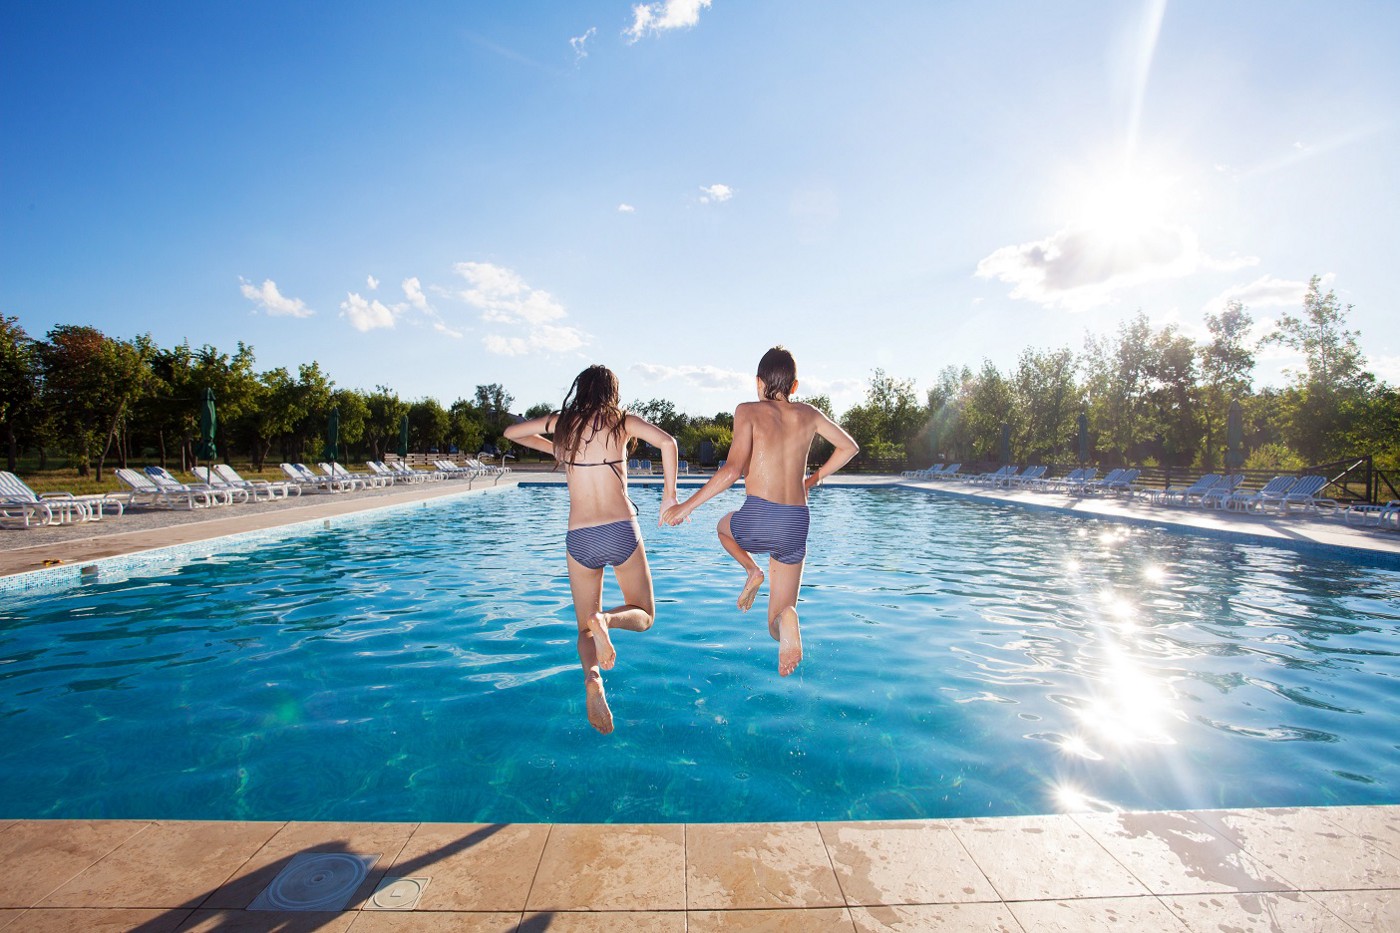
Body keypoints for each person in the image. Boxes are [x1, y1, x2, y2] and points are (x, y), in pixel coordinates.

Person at [662, 346, 858, 677]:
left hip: (759, 516)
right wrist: (813, 479)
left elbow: (733, 470)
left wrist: (684, 506)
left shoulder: (748, 410)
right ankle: (788, 619)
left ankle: (752, 571)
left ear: (758, 382)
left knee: (723, 527)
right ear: (794, 386)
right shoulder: (809, 413)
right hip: (797, 522)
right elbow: (849, 447)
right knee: (774, 621)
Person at [504, 365, 679, 734]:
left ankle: (593, 679)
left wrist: (554, 435)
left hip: (580, 536)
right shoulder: (620, 421)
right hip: (620, 530)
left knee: (584, 631)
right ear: (611, 392)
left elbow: (512, 432)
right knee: (645, 614)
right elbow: (669, 443)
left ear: (579, 390)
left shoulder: (564, 424)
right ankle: (610, 621)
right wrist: (669, 496)